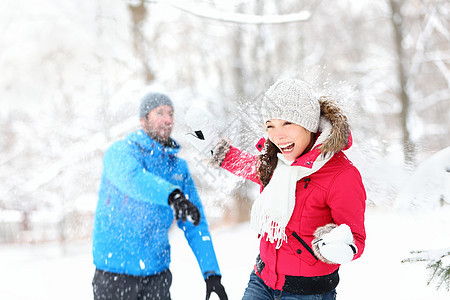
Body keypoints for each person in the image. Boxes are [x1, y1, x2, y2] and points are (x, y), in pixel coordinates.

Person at [209, 79, 366, 299]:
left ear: (308, 123)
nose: (277, 135)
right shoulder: (276, 160)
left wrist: (338, 246)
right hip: (262, 280)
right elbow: (252, 168)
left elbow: (356, 238)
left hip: (307, 293)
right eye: (270, 125)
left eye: (287, 123)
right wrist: (218, 151)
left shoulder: (341, 174)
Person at [91, 92, 228, 300]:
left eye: (171, 113)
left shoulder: (178, 168)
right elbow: (133, 179)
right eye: (160, 112)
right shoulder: (119, 152)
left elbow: (195, 222)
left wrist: (211, 273)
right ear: (142, 120)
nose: (168, 119)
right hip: (114, 276)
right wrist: (171, 195)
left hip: (157, 277)